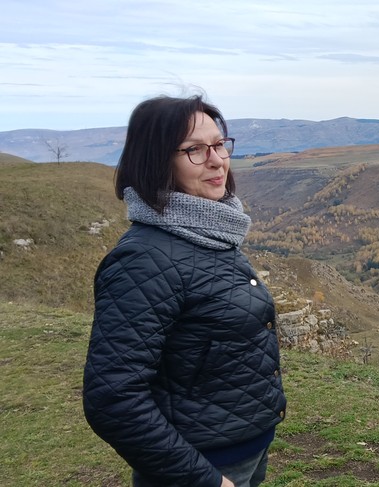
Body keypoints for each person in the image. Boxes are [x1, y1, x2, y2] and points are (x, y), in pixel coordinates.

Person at [83, 95, 286, 487]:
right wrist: (205, 480)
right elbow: (113, 398)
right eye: (194, 149)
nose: (216, 159)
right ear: (156, 160)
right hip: (202, 464)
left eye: (219, 144)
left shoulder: (207, 230)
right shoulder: (143, 259)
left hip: (243, 448)